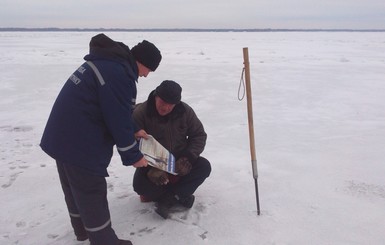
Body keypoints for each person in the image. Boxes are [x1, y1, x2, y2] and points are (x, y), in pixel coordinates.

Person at [40, 33, 161, 245]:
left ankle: (82, 231)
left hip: (62, 137)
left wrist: (135, 130)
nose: (146, 76)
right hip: (80, 143)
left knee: (74, 189)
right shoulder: (120, 74)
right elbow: (116, 119)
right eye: (149, 70)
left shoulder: (108, 64)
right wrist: (134, 156)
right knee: (91, 193)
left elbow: (112, 108)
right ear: (142, 62)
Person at [132, 80, 211, 219]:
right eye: (163, 102)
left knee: (204, 167)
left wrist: (188, 158)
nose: (166, 107)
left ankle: (168, 198)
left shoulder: (185, 111)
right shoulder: (141, 113)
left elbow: (199, 135)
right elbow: (131, 144)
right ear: (156, 96)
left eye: (171, 105)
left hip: (179, 161)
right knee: (139, 185)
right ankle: (179, 195)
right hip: (153, 164)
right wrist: (150, 168)